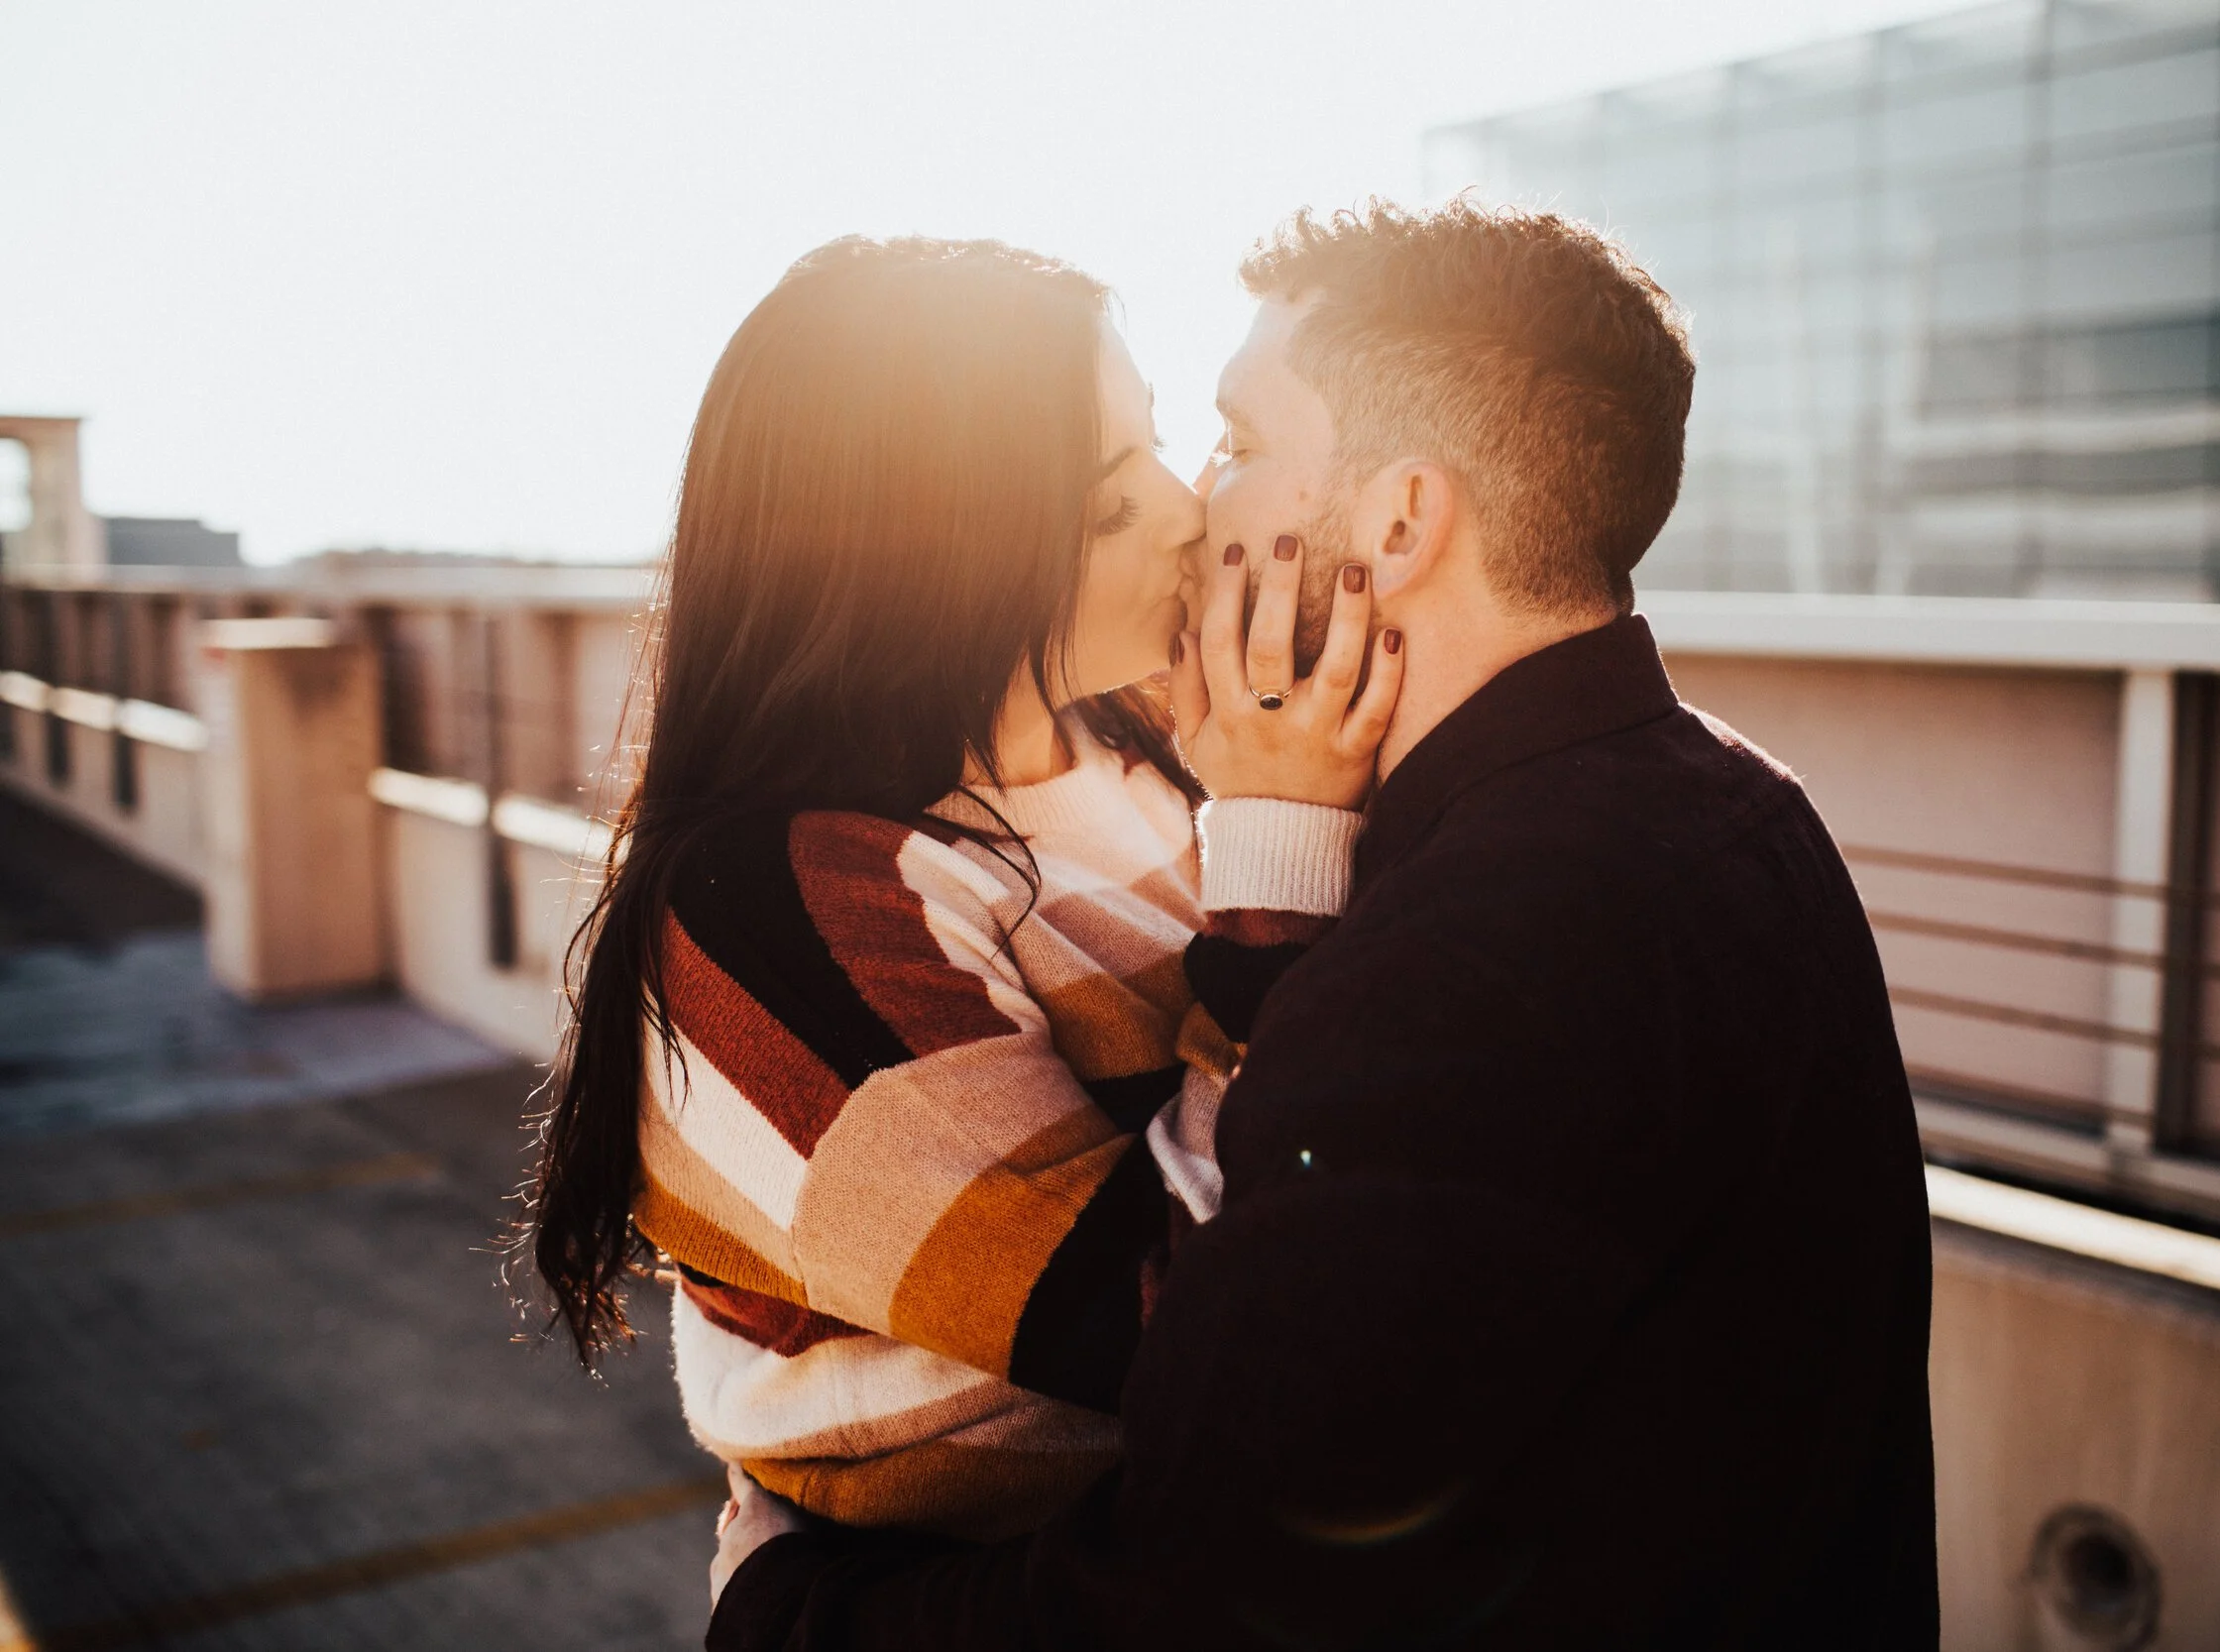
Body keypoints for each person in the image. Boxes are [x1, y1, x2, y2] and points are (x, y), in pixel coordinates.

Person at [707, 201, 1940, 1648]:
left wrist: (789, 1615)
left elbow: (1204, 1590)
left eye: (1233, 443)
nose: (1192, 506)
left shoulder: (1472, 950)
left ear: (1398, 521)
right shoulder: (1729, 803)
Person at [523, 237, 1399, 1544]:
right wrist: (1282, 849)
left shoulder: (1140, 743)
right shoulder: (783, 911)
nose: (1182, 511)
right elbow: (1189, 1346)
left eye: (1163, 445)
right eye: (1107, 503)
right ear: (930, 554)